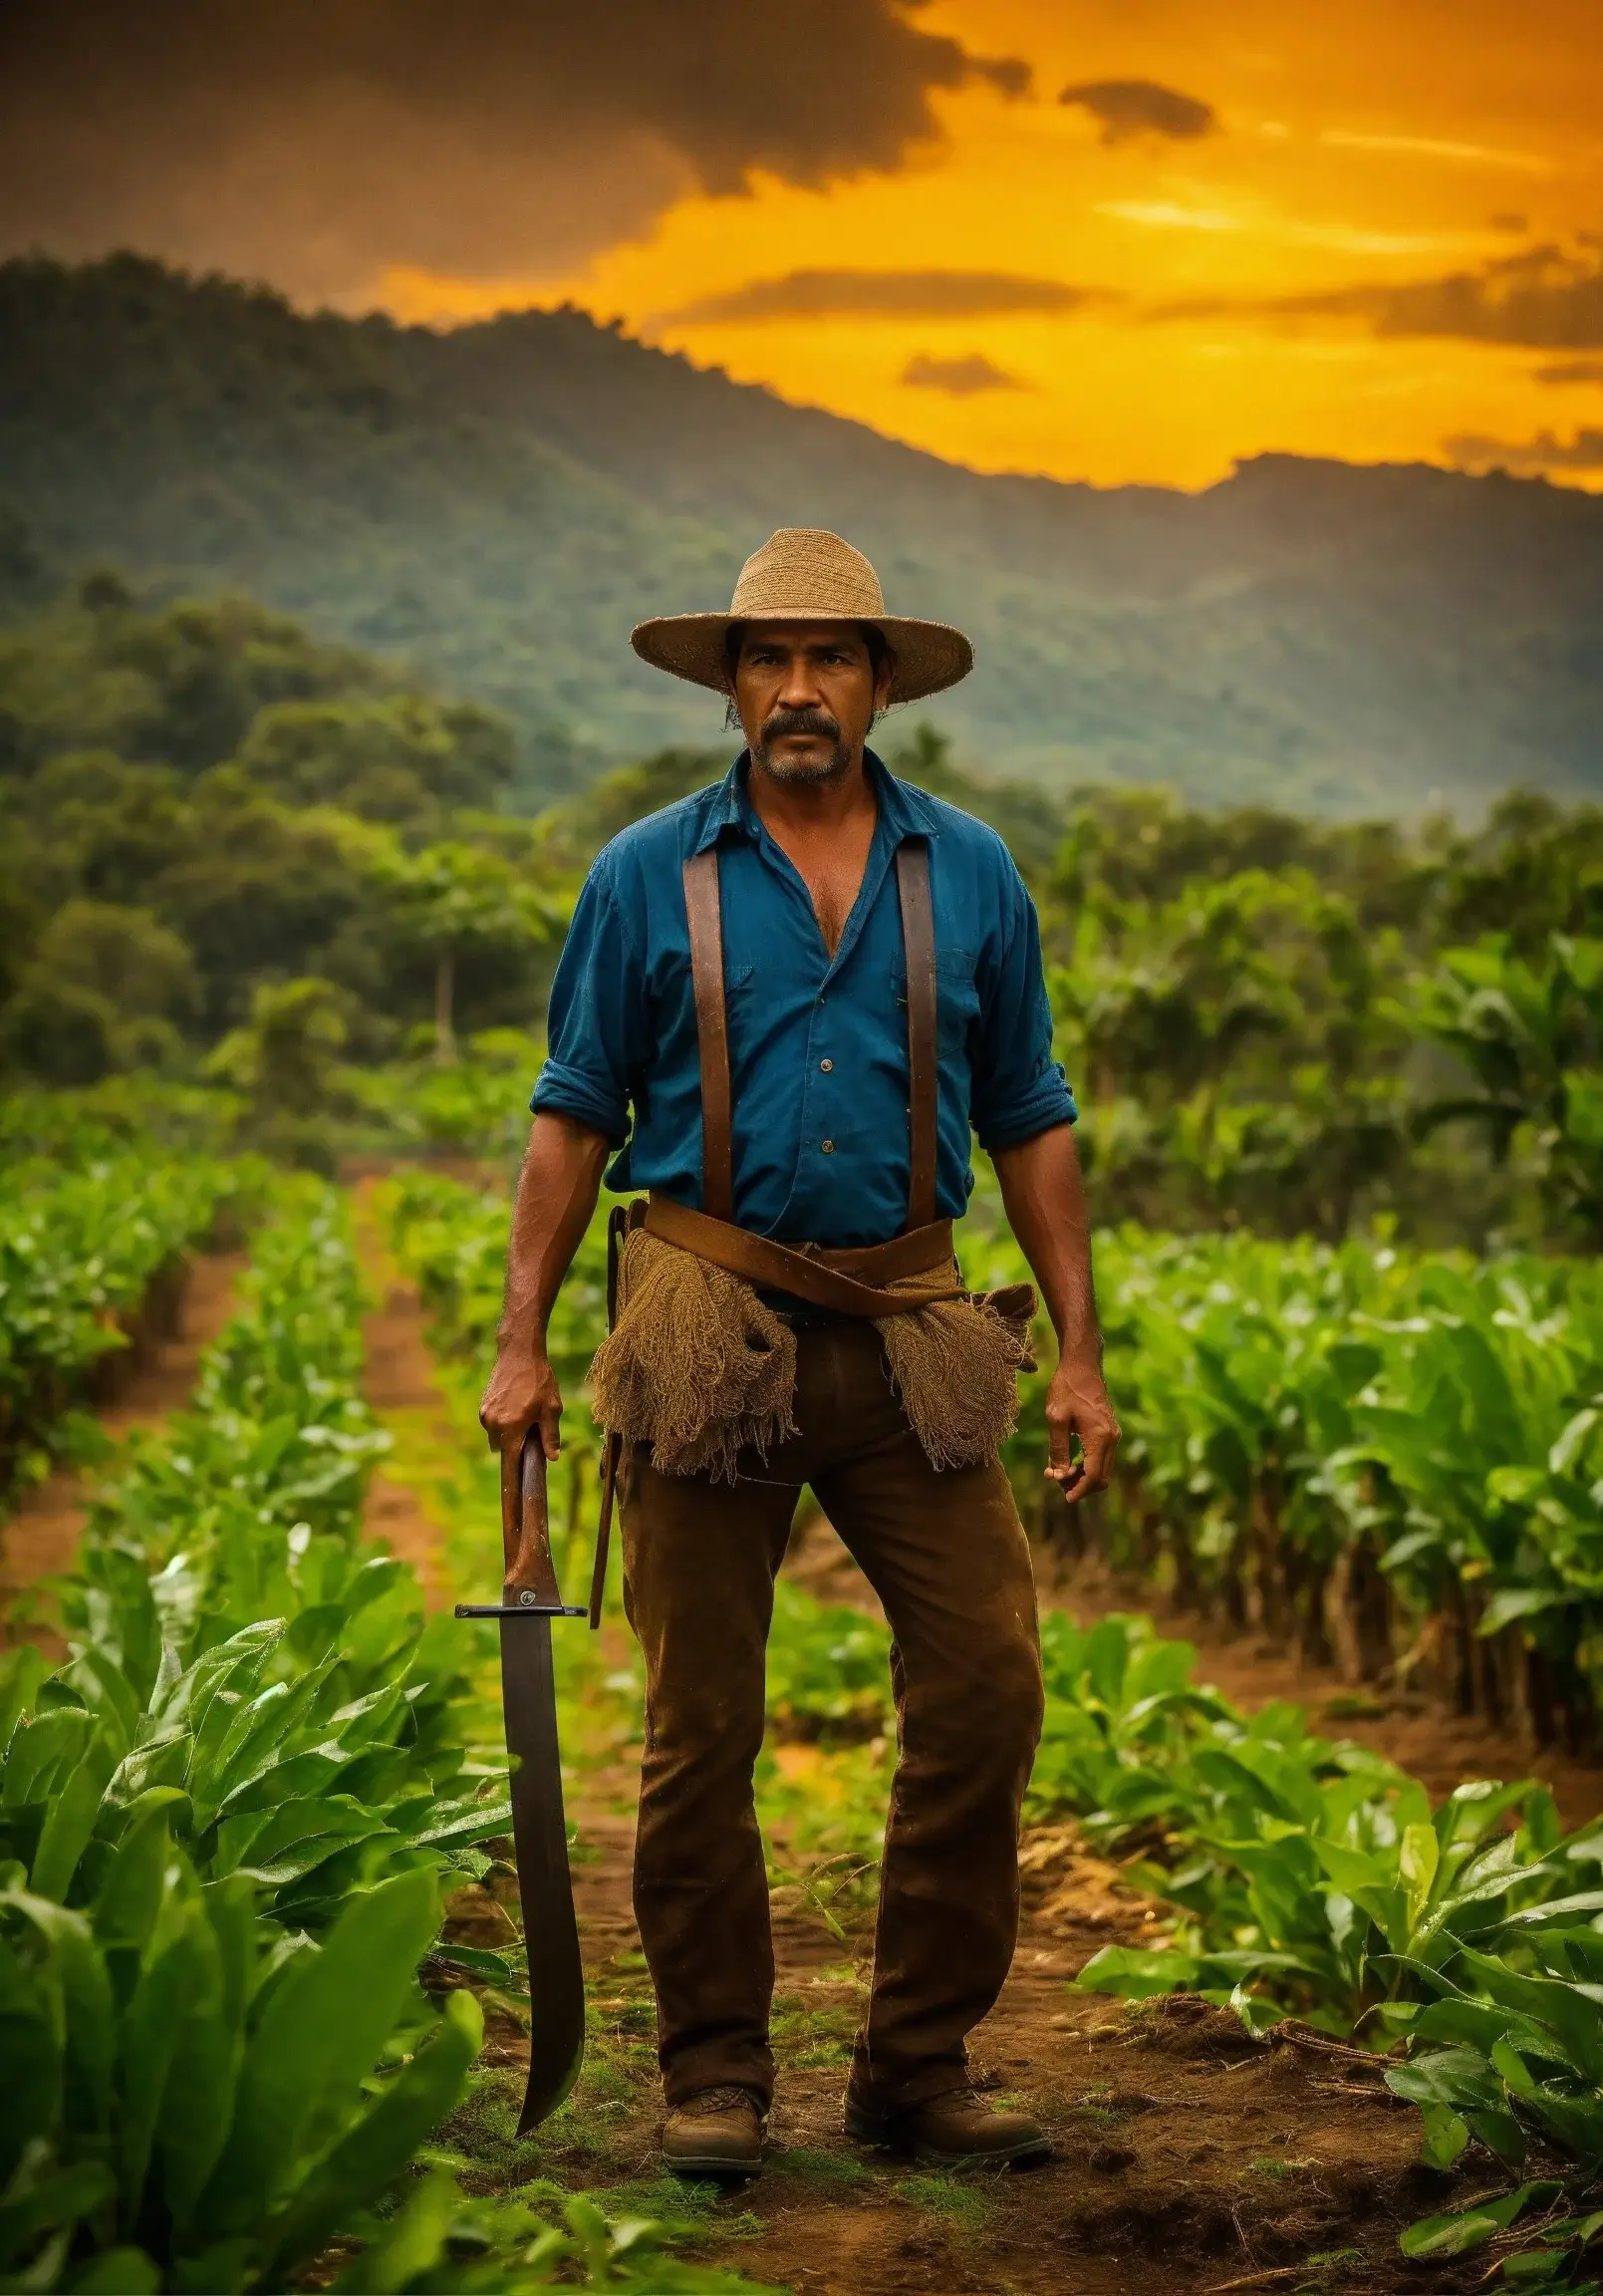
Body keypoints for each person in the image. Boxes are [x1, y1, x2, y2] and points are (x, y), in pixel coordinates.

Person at [480, 528, 1119, 2176]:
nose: (800, 689)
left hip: (919, 1337)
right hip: (705, 1328)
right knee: (703, 1721)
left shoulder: (968, 871)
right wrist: (521, 1347)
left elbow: (1033, 1116)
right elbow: (572, 1113)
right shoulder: (645, 877)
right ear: (729, 688)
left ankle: (914, 2069)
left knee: (987, 1685)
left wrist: (1080, 1354)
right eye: (770, 661)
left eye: (834, 658)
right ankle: (715, 2075)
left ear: (883, 683)